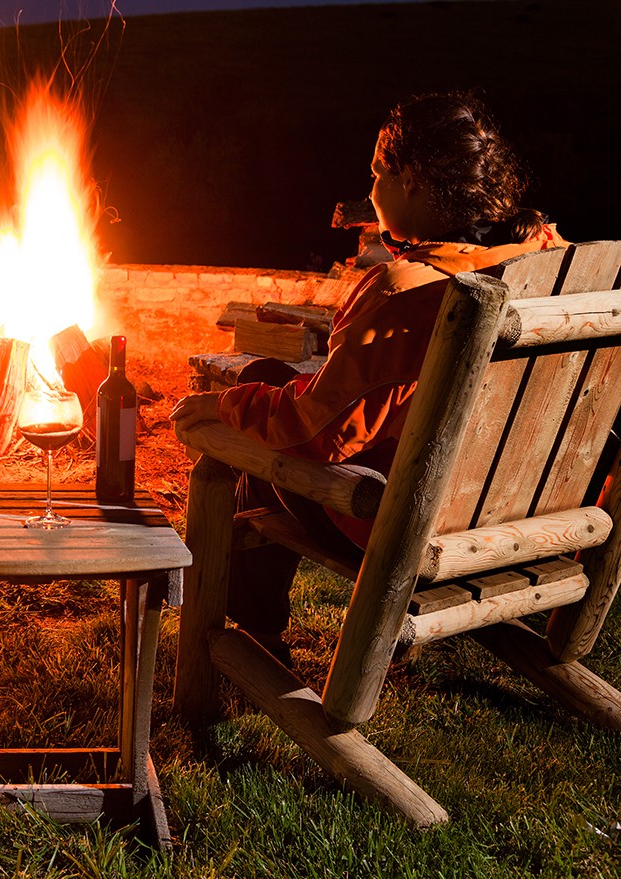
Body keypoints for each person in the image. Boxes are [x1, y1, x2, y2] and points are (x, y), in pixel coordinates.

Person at [170, 91, 568, 665]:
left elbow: (316, 433)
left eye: (378, 172)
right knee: (269, 377)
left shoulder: (408, 290)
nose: (372, 188)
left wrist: (222, 408)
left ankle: (252, 635)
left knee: (255, 427)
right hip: (524, 515)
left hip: (413, 530)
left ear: (410, 181)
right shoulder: (547, 257)